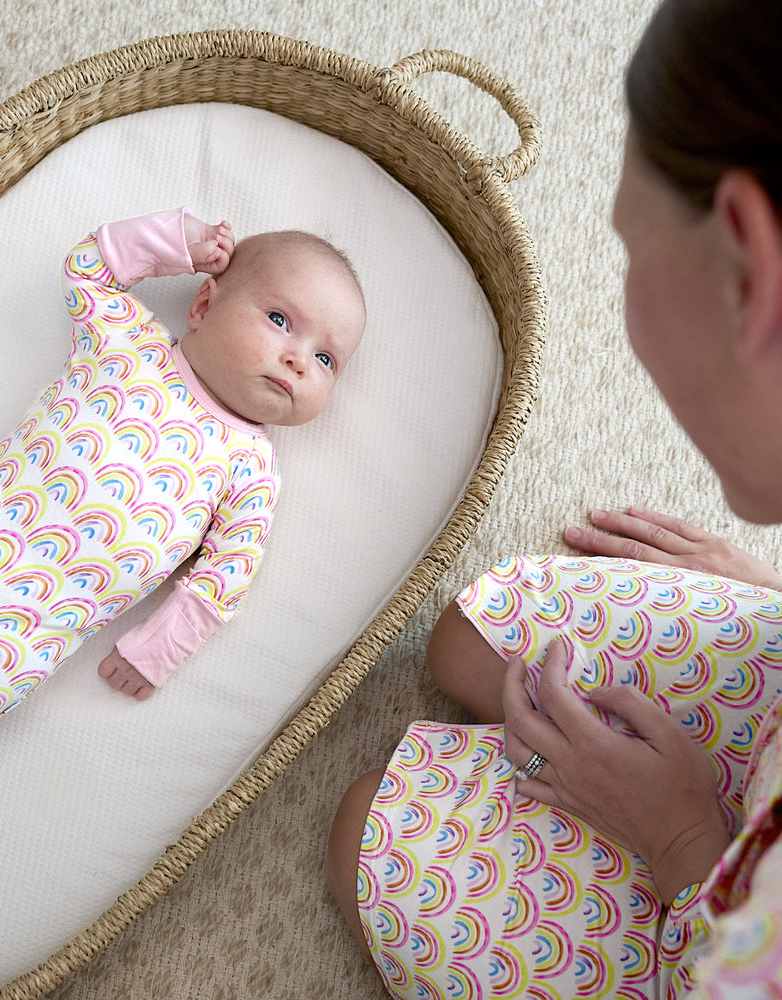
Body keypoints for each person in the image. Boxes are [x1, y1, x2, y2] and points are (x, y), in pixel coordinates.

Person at [328, 0, 782, 995]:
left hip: (730, 948)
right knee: (471, 638)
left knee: (371, 823)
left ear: (754, 273)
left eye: (629, 247)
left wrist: (682, 843)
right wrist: (764, 595)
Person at [0, 207, 366, 776]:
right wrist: (178, 241)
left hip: (19, 625)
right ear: (205, 303)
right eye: (281, 321)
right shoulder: (131, 344)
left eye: (325, 359)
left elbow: (225, 575)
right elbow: (88, 267)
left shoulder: (251, 469)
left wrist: (153, 652)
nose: (296, 360)